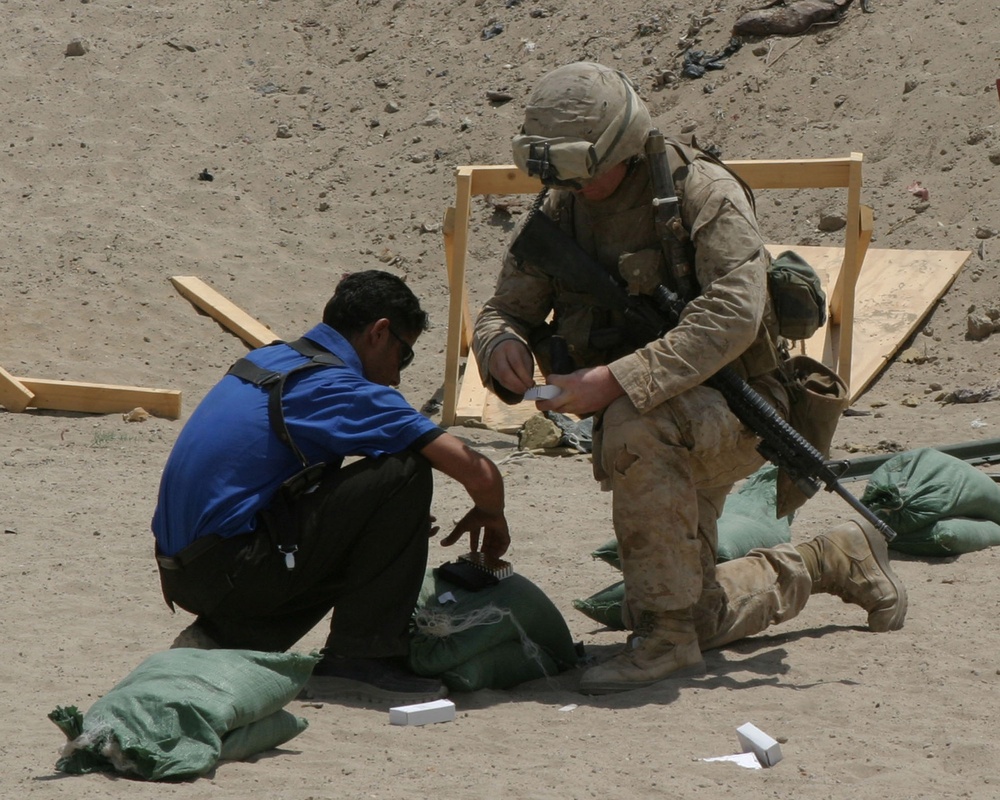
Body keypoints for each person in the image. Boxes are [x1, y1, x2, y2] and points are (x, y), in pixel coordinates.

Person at [472, 61, 907, 695]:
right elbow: (503, 307)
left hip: (737, 406)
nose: (570, 184)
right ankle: (827, 560)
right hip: (661, 411)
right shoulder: (565, 206)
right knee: (683, 602)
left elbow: (734, 315)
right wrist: (500, 345)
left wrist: (614, 380)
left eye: (580, 169)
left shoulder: (703, 193)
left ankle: (667, 642)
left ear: (618, 145)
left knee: (633, 426)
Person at [152, 270, 510, 705]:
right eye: (404, 356)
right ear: (380, 333)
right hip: (228, 571)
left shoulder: (275, 360)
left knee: (380, 509)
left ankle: (225, 638)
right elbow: (480, 474)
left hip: (187, 569)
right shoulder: (337, 387)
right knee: (406, 471)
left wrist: (388, 525)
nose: (397, 377)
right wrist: (491, 514)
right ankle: (362, 660)